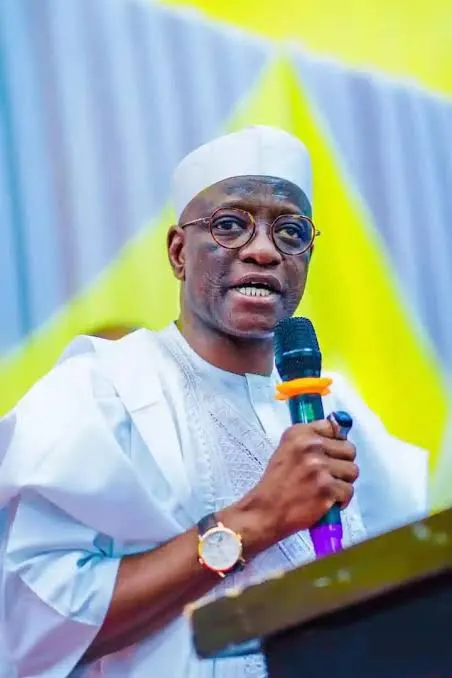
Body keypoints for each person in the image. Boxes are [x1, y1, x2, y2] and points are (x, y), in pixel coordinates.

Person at [0, 126, 428, 677]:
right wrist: (257, 519)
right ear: (179, 252)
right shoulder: (101, 390)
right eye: (230, 225)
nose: (263, 250)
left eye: (290, 232)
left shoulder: (342, 406)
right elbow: (28, 628)